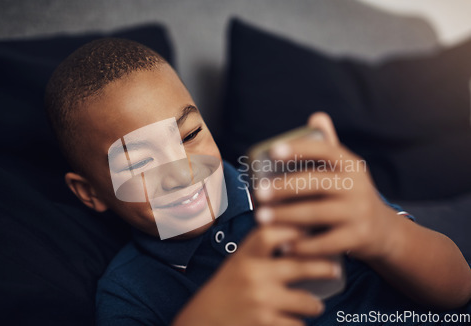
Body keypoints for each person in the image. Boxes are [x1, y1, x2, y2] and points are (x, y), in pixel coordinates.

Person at [44, 38, 471, 326]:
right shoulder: (129, 294)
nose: (181, 171)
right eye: (139, 163)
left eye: (190, 135)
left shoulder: (299, 180)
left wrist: (386, 235)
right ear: (90, 192)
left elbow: (457, 291)